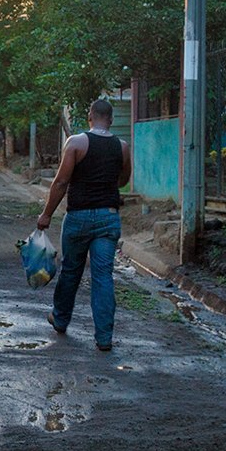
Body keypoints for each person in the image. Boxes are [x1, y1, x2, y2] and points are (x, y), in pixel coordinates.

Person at [39, 98, 132, 352]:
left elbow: (60, 183)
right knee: (103, 276)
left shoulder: (77, 143)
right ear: (110, 119)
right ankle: (104, 338)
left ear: (90, 116)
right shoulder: (122, 147)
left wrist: (46, 214)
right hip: (108, 217)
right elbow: (123, 180)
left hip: (78, 217)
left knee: (71, 270)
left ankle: (60, 319)